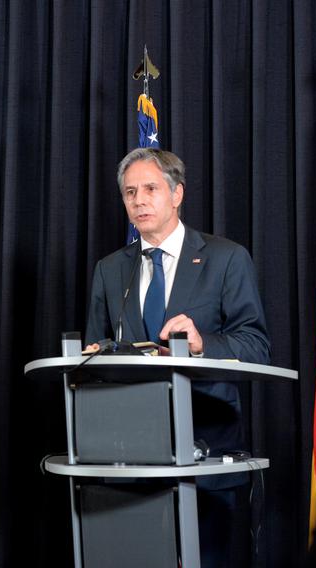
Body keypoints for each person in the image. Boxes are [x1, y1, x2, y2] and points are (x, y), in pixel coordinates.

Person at [84, 148, 270, 567]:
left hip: (203, 451)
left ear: (177, 193)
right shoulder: (110, 270)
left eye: (150, 188)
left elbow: (256, 345)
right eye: (130, 192)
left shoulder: (225, 259)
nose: (139, 200)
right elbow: (94, 355)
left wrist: (204, 342)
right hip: (128, 456)